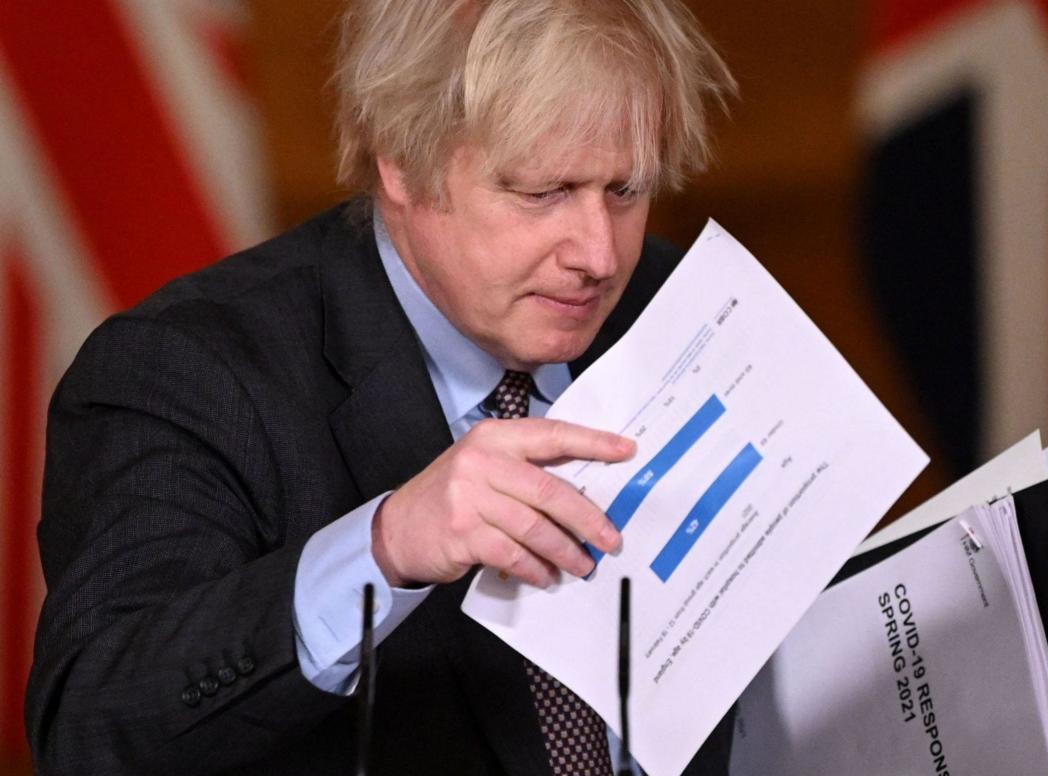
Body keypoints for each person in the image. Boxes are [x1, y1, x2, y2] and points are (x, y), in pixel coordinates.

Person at [25, 1, 737, 773]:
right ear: (402, 159)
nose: (598, 255)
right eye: (544, 193)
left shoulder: (681, 304)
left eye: (625, 191)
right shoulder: (191, 370)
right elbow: (91, 727)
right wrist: (384, 548)